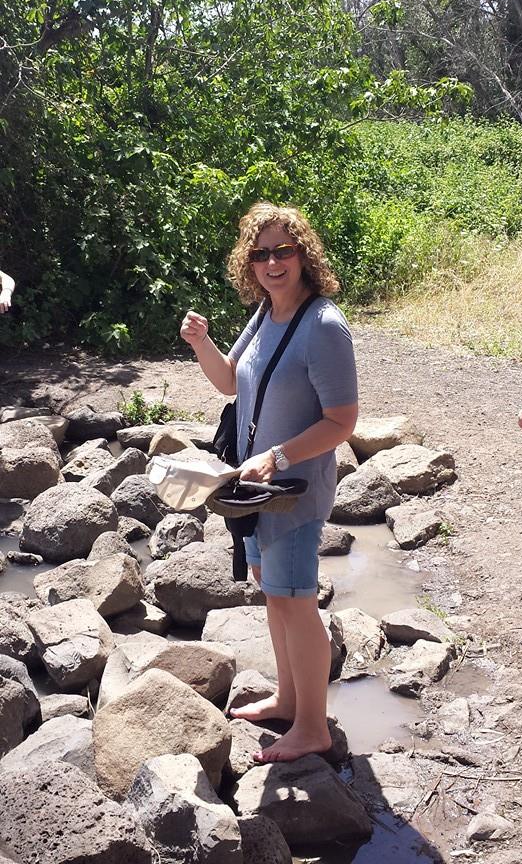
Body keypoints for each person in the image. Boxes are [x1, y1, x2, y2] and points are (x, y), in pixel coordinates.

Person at [180, 202, 358, 763]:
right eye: (261, 254)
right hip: (256, 489)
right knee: (275, 595)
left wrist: (278, 456)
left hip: (293, 492)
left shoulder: (324, 325)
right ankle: (288, 699)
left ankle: (312, 727)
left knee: (297, 603)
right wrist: (201, 343)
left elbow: (342, 421)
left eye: (284, 250)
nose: (273, 262)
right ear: (248, 262)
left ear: (304, 254)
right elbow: (230, 382)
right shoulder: (265, 313)